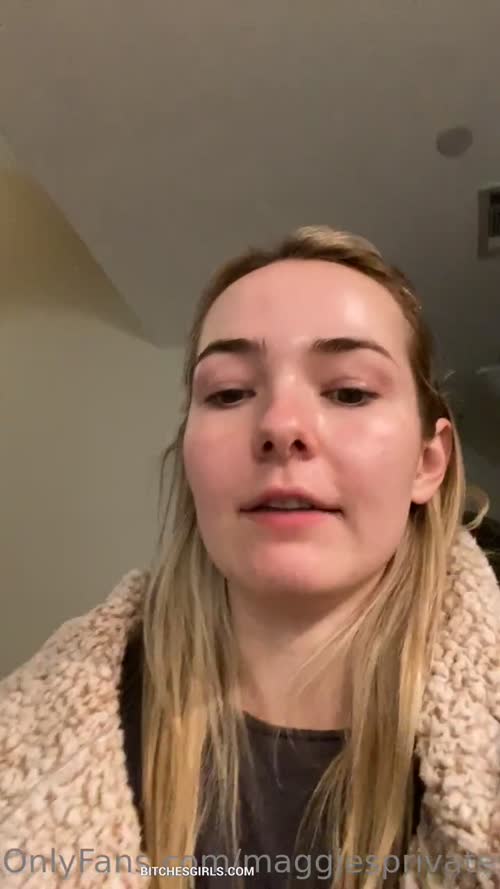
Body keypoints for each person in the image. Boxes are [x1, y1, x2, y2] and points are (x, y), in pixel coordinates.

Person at [1, 225, 499, 889]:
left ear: (427, 462)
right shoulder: (34, 738)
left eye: (349, 391)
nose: (280, 426)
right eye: (230, 393)